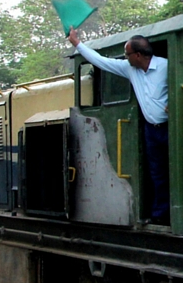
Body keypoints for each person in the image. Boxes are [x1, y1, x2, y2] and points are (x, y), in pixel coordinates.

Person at [67, 29, 171, 224]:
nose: (125, 58)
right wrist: (77, 44)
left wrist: (172, 102)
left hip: (169, 128)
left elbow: (179, 85)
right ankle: (160, 215)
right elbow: (101, 61)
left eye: (127, 54)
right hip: (151, 130)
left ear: (138, 55)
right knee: (156, 173)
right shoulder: (130, 69)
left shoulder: (166, 67)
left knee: (173, 169)